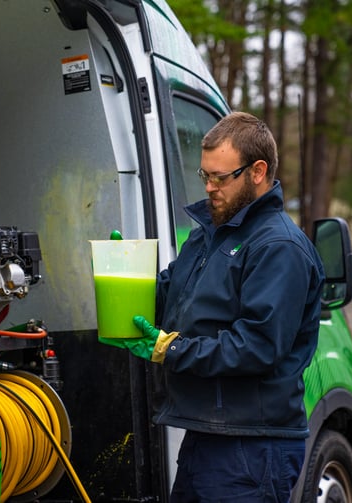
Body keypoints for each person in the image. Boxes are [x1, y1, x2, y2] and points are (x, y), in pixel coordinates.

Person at [101, 112, 325, 502]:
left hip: (253, 447)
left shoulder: (278, 247)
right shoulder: (211, 235)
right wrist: (127, 278)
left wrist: (170, 349)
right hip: (207, 436)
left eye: (220, 177)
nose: (209, 187)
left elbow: (257, 345)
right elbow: (171, 296)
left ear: (257, 171)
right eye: (204, 175)